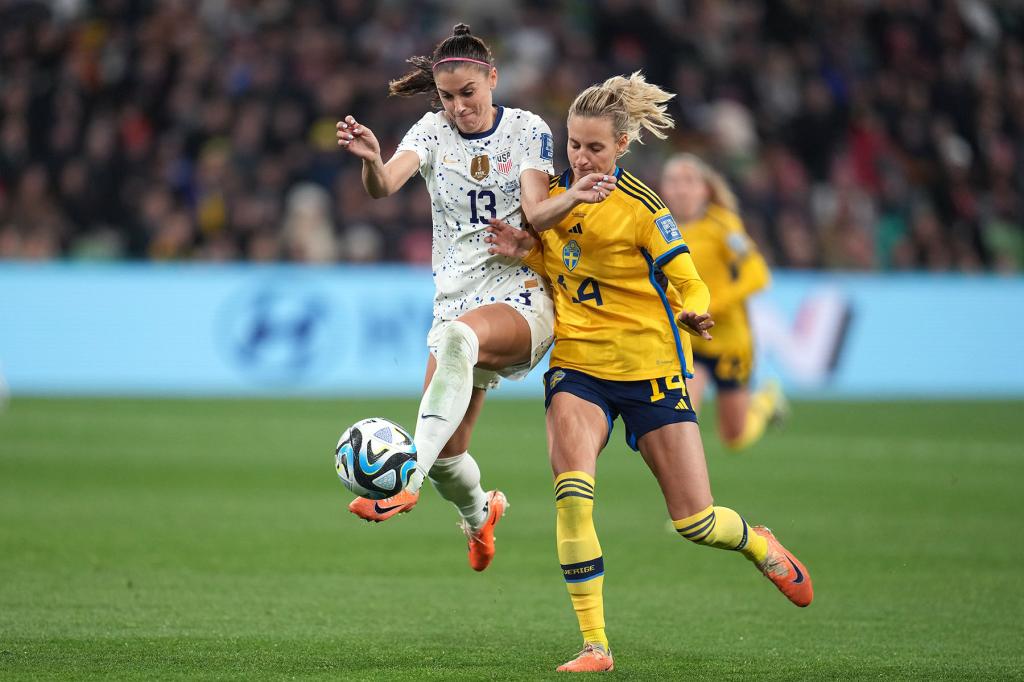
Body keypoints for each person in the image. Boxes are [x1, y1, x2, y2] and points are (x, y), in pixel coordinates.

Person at [486, 72, 813, 673]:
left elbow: (688, 275)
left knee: (696, 521)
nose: (582, 159)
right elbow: (561, 258)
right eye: (574, 145)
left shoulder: (643, 207)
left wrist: (694, 306)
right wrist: (525, 249)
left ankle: (758, 542)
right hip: (578, 368)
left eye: (595, 148)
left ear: (623, 146)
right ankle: (595, 645)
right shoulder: (553, 199)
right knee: (572, 495)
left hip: (652, 371)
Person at [336, 24, 616, 571]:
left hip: (520, 294)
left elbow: (536, 212)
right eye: (448, 97)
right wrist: (372, 160)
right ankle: (479, 514)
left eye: (469, 93)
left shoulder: (525, 129)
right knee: (449, 453)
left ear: (492, 79)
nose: (459, 107)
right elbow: (386, 185)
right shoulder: (431, 131)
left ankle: (405, 480)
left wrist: (577, 195)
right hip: (454, 299)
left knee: (459, 348)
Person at [659, 153, 787, 450]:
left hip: (728, 340)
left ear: (704, 188)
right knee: (681, 418)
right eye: (673, 181)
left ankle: (766, 403)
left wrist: (713, 304)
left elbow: (758, 274)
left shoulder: (722, 225)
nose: (680, 189)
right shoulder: (657, 227)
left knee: (734, 437)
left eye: (689, 181)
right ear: (664, 189)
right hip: (688, 340)